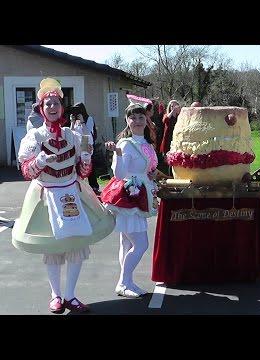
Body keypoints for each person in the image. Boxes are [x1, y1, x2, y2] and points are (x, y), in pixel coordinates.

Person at [11, 78, 115, 313]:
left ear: (62, 106)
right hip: (46, 195)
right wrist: (39, 161)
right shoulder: (34, 137)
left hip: (72, 192)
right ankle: (55, 295)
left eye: (56, 102)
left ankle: (71, 295)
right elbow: (27, 171)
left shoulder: (72, 135)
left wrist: (86, 161)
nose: (52, 107)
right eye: (48, 104)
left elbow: (82, 172)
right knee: (53, 247)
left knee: (76, 243)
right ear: (41, 109)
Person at [101, 103, 160, 298]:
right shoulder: (125, 144)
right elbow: (119, 174)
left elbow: (147, 169)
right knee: (141, 244)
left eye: (140, 117)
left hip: (141, 195)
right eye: (132, 118)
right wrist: (117, 154)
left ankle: (126, 282)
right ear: (127, 121)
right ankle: (124, 283)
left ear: (146, 120)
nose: (137, 121)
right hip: (130, 198)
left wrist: (152, 176)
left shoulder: (147, 144)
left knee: (126, 243)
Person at [69, 103, 101, 195]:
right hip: (77, 143)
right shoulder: (75, 120)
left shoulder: (89, 119)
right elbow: (71, 133)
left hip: (85, 142)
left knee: (88, 166)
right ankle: (78, 186)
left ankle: (94, 186)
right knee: (76, 165)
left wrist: (82, 122)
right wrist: (72, 122)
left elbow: (88, 134)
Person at [159, 100, 181, 175]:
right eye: (172, 106)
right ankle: (168, 176)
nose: (173, 108)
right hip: (168, 140)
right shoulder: (167, 115)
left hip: (177, 141)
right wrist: (172, 112)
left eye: (175, 106)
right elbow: (165, 120)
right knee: (168, 160)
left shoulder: (180, 117)